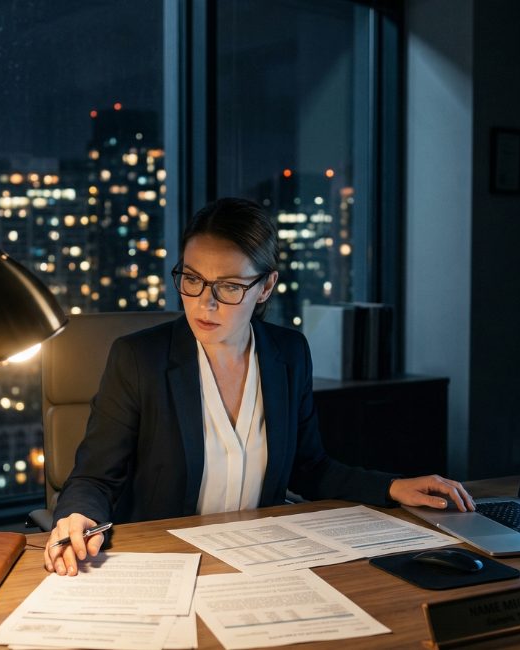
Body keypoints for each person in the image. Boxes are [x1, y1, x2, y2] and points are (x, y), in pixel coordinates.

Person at [44, 197, 474, 575]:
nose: (204, 303)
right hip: (166, 562)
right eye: (192, 279)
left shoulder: (288, 355)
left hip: (262, 561)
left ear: (266, 286)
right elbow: (94, 478)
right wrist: (77, 515)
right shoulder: (139, 359)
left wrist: (391, 487)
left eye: (229, 286)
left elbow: (310, 467)